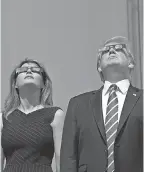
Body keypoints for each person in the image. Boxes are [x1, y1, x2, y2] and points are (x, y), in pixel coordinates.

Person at [60, 36, 143, 172]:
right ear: (99, 66)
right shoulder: (78, 104)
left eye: (118, 48)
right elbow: (69, 156)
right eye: (105, 50)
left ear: (131, 62)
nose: (111, 51)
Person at [1, 58, 64, 172]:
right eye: (23, 70)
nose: (29, 71)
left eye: (35, 70)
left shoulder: (55, 115)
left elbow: (61, 161)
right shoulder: (4, 117)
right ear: (15, 83)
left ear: (43, 84)